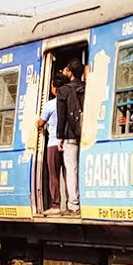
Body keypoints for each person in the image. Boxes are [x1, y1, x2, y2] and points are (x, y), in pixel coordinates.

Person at [55, 58, 86, 216]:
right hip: (87, 133)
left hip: (70, 135)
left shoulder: (63, 91)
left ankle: (73, 204)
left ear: (71, 73)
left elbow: (61, 117)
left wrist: (59, 137)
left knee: (72, 169)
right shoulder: (87, 87)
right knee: (83, 167)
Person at [37, 75, 63, 215]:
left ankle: (56, 204)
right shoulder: (68, 101)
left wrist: (38, 123)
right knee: (68, 173)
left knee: (54, 175)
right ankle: (72, 203)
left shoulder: (50, 104)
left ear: (54, 88)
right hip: (67, 142)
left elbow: (41, 123)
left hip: (53, 143)